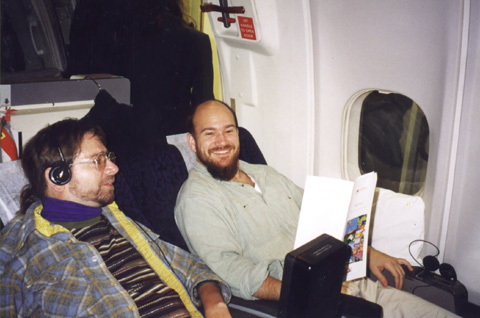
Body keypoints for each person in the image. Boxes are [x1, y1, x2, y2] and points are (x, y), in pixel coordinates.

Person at [174, 100, 460, 318]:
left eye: (229, 130)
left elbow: (322, 213)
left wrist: (368, 254)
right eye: (209, 133)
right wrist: (305, 290)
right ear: (192, 142)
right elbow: (231, 271)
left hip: (348, 279)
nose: (222, 141)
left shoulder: (263, 173)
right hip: (309, 302)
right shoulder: (197, 200)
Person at [0, 118, 232, 318]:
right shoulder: (21, 249)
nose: (113, 168)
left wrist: (215, 303)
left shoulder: (120, 222)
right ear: (59, 177)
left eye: (108, 157)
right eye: (98, 160)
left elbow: (192, 267)